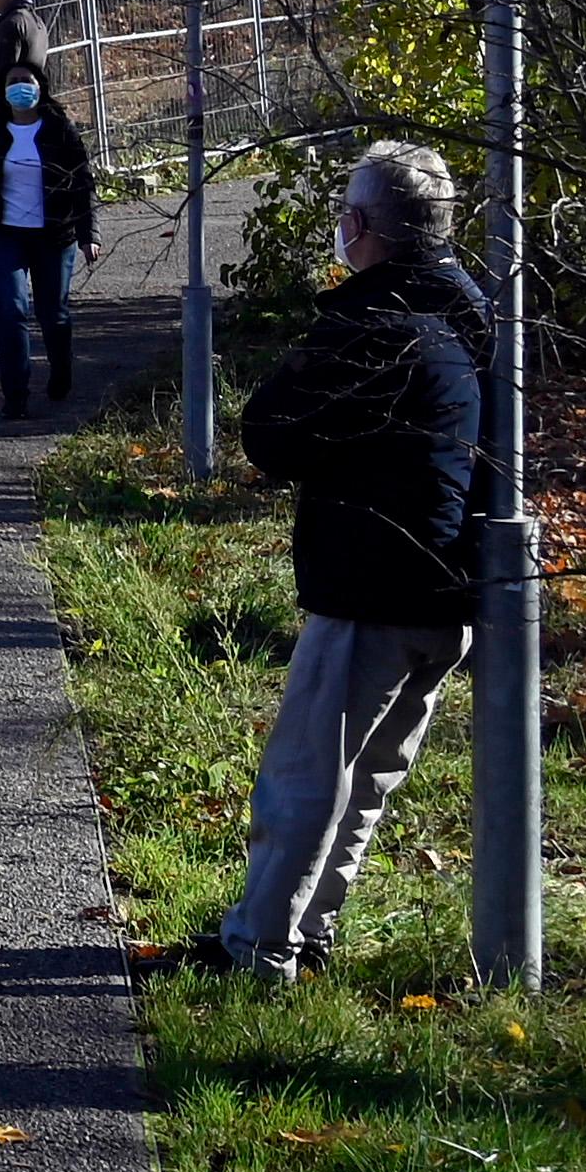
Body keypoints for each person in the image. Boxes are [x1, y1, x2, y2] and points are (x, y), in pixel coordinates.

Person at [202, 141, 486, 983]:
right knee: (369, 779)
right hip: (452, 584)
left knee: (306, 780)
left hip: (372, 584)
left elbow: (274, 434)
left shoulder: (374, 323)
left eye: (345, 214)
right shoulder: (477, 310)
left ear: (360, 224)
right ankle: (309, 928)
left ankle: (260, 950)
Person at [0, 52, 96, 414]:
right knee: (11, 310)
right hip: (5, 235)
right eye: (13, 82)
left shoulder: (60, 130)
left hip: (54, 236)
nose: (21, 88)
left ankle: (61, 371)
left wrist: (90, 234)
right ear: (2, 90)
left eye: (27, 81)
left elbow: (83, 185)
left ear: (42, 88)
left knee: (52, 313)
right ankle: (16, 396)